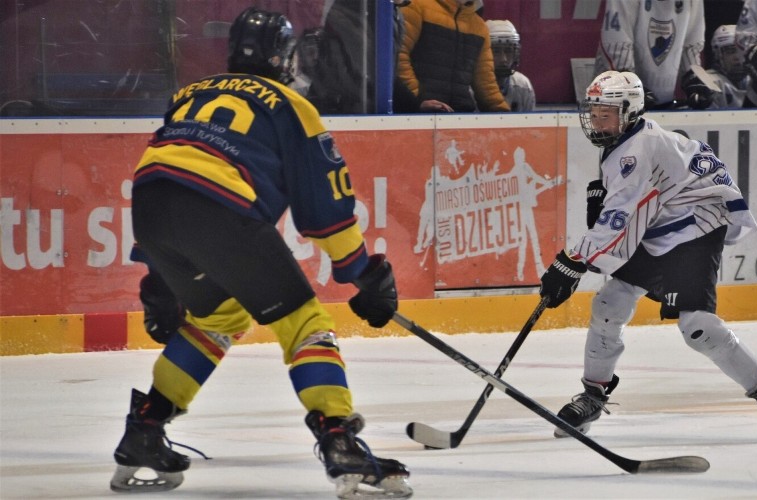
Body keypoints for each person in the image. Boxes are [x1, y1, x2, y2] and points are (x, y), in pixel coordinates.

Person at [110, 7, 412, 498]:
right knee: (305, 323)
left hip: (150, 207)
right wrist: (364, 273)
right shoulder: (291, 104)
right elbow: (326, 208)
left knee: (219, 318)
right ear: (282, 57)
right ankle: (339, 441)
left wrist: (158, 278)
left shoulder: (189, 94)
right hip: (221, 209)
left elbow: (168, 175)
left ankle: (144, 429)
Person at [538, 71, 757, 441]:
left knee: (698, 328)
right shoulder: (626, 140)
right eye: (595, 113)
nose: (598, 122)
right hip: (661, 226)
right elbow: (626, 215)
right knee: (609, 303)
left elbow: (618, 219)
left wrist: (571, 262)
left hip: (696, 227)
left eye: (607, 114)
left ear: (629, 111)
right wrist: (591, 241)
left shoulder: (636, 151)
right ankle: (593, 395)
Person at [396, 0, 510, 112]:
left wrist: (503, 113)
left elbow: (486, 81)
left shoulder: (479, 26)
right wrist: (416, 100)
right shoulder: (417, 7)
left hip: (459, 114)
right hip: (416, 114)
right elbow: (399, 58)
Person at [594, 0, 705, 109]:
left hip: (664, 102)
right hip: (613, 103)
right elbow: (616, 45)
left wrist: (694, 80)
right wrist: (631, 87)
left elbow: (691, 47)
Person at [680, 24, 749, 109]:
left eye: (741, 51)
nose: (738, 57)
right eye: (731, 51)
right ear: (718, 55)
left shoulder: (753, 82)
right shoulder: (709, 82)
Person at [485, 19, 536, 112]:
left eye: (508, 51)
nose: (503, 59)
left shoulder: (523, 86)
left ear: (515, 53)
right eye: (496, 51)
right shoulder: (470, 89)